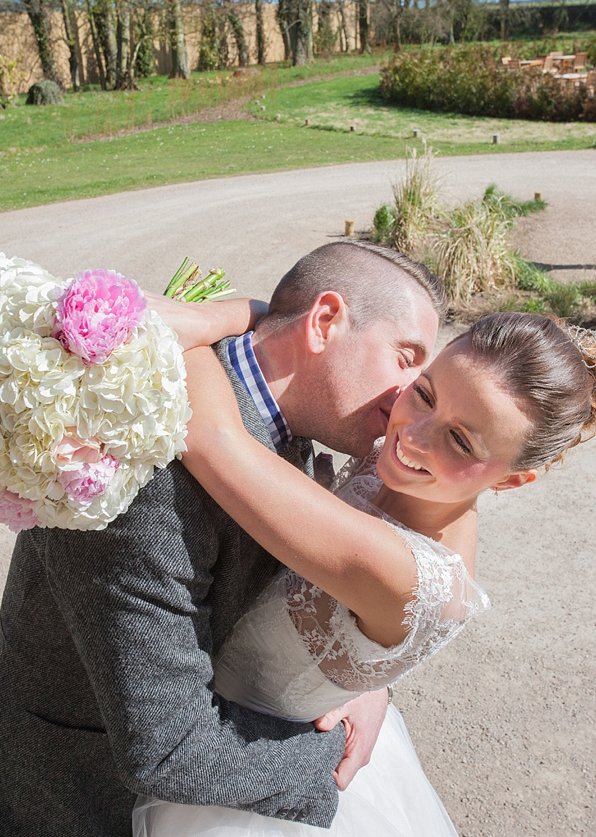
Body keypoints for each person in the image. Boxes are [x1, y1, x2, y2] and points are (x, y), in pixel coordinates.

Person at [0, 241, 445, 837]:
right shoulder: (147, 457)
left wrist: (359, 685)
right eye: (405, 357)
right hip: (86, 795)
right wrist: (351, 754)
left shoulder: (285, 414)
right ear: (326, 321)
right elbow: (169, 751)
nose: (412, 397)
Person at [131, 310, 596, 837]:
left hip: (239, 776)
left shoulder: (408, 574)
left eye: (461, 441)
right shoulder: (404, 466)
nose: (414, 435)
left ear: (513, 481)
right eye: (424, 392)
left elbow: (211, 435)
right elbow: (311, 318)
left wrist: (176, 317)